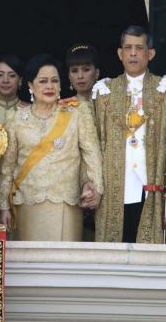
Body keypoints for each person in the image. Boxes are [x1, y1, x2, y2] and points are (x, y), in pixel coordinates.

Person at [93, 25, 166, 243]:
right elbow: (94, 144)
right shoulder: (103, 91)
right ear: (120, 53)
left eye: (139, 48)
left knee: (149, 262)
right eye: (128, 48)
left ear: (150, 53)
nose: (133, 53)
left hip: (153, 184)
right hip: (113, 187)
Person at [0, 54, 103, 241]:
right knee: (31, 264)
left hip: (65, 203)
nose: (49, 86)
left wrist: (96, 189)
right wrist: (4, 206)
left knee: (64, 265)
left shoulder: (76, 113)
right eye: (43, 81)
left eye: (54, 81)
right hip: (26, 202)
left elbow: (92, 154)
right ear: (30, 85)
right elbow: (7, 167)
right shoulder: (15, 119)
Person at [65, 43, 101, 241]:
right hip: (74, 185)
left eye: (86, 70)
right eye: (74, 70)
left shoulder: (109, 106)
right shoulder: (63, 108)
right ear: (68, 76)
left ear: (97, 73)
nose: (80, 76)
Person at [0, 55, 30, 125]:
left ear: (20, 80)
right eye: (0, 75)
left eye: (12, 75)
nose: (5, 80)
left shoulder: (31, 111)